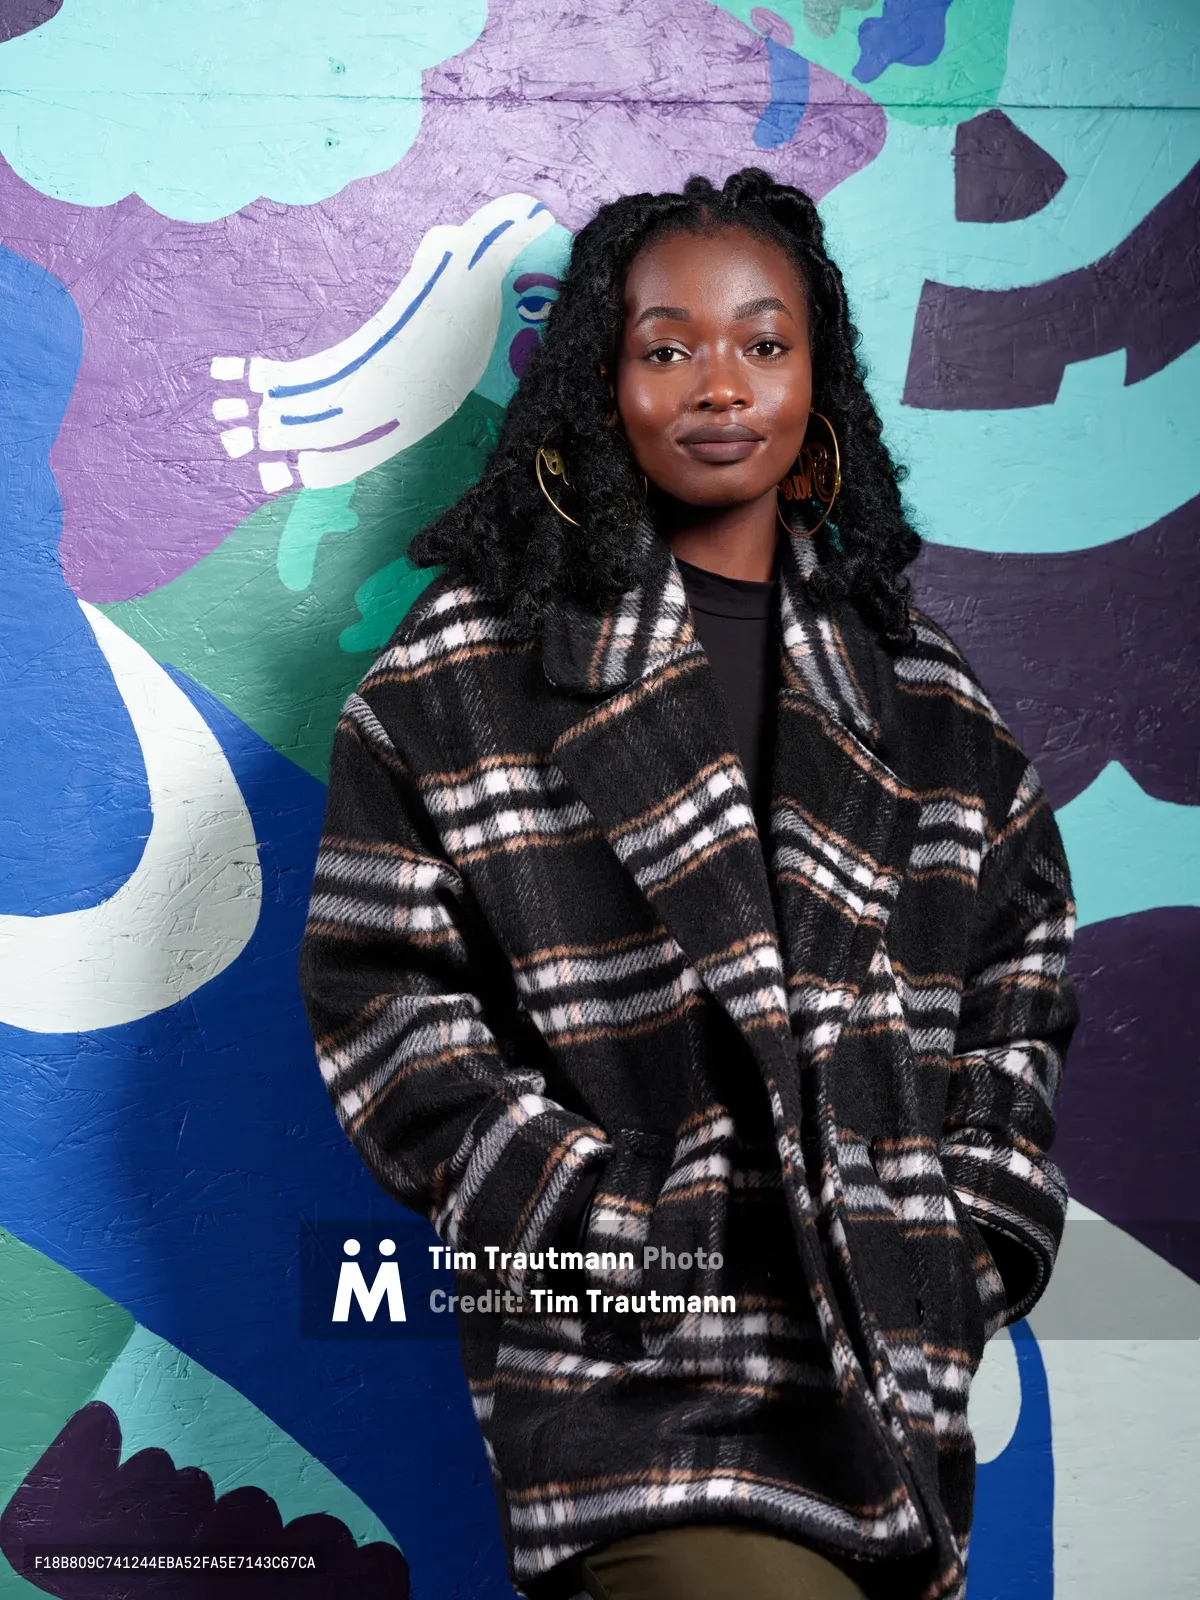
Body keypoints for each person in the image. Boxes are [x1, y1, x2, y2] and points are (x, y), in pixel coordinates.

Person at [297, 168, 1079, 1600]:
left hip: (896, 1390)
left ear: (818, 378)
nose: (720, 385)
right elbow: (387, 1008)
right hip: (639, 1392)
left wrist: (967, 1225)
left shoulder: (925, 699)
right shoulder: (464, 678)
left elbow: (1018, 985)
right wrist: (614, 1234)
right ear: (605, 381)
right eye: (668, 348)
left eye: (764, 343)